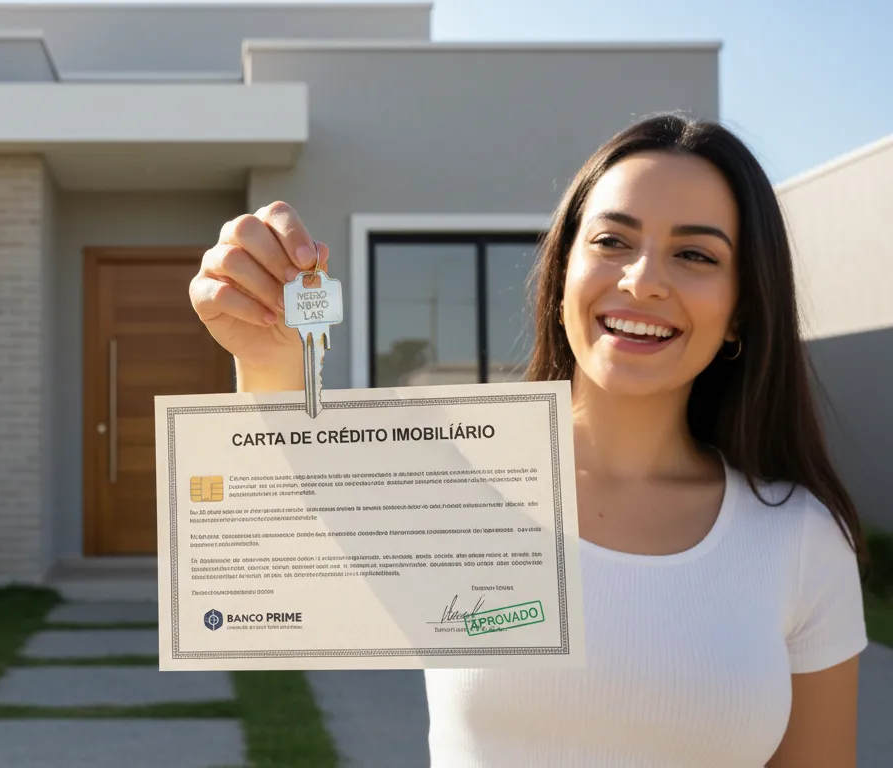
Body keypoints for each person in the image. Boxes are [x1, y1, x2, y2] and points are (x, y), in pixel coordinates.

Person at [188, 112, 869, 766]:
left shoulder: (801, 540)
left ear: (741, 311)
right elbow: (265, 547)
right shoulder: (452, 485)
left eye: (694, 254)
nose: (643, 281)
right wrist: (269, 359)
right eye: (612, 241)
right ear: (562, 272)